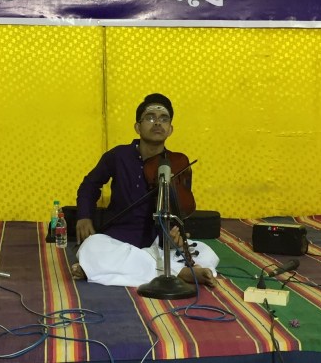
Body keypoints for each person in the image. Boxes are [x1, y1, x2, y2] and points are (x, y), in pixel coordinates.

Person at [73, 93, 219, 288]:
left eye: (164, 119)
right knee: (92, 248)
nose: (157, 123)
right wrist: (84, 216)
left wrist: (175, 232)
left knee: (207, 253)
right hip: (120, 237)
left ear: (170, 129)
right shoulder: (118, 155)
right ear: (137, 127)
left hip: (159, 241)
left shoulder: (178, 163)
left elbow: (180, 210)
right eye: (150, 117)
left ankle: (107, 269)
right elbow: (90, 185)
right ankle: (179, 273)